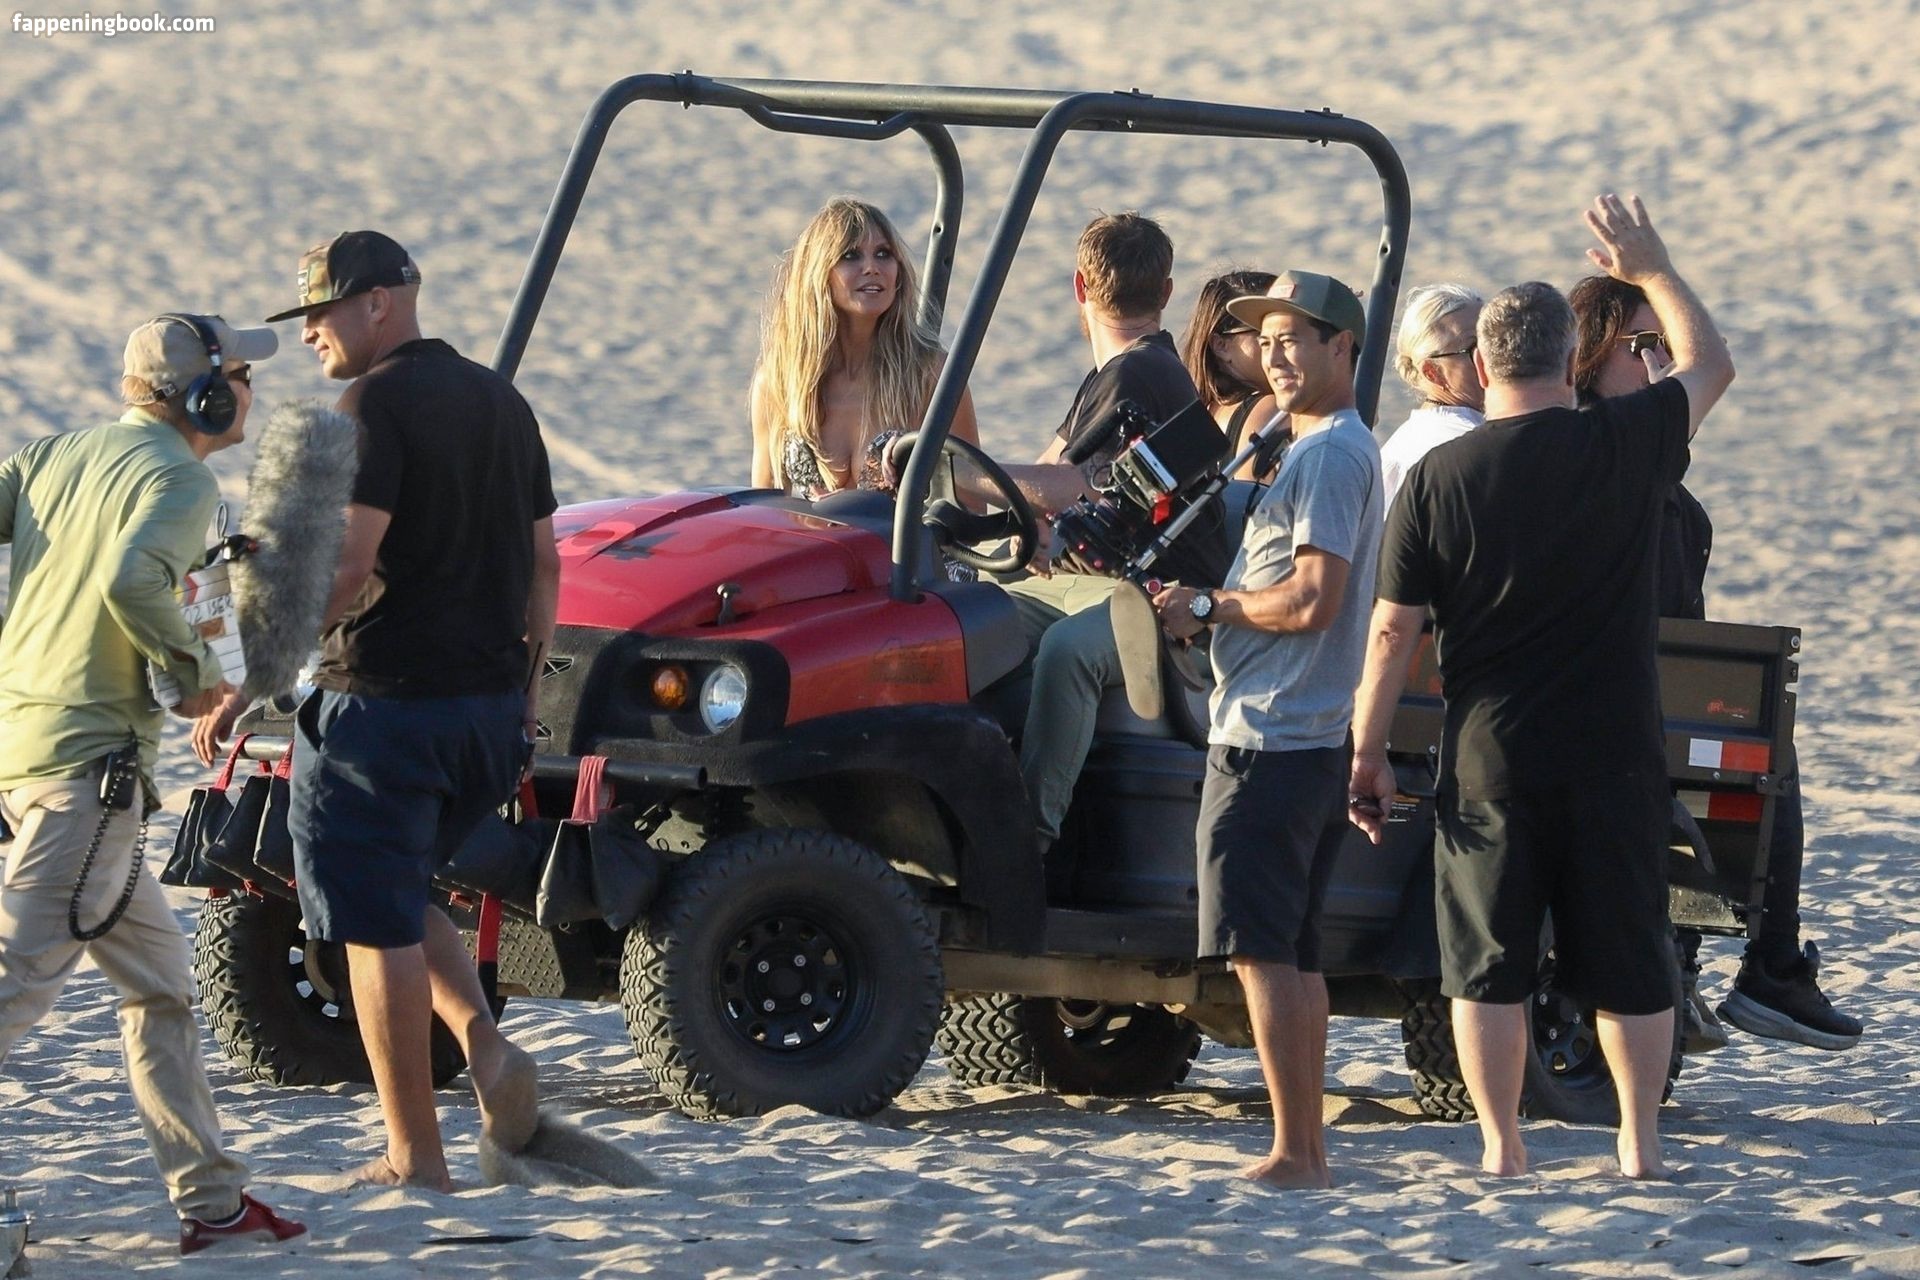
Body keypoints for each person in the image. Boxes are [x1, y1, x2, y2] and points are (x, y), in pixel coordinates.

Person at [1348, 194, 1736, 1181]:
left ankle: (1501, 1145)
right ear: (1571, 363)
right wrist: (1651, 267)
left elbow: (1391, 630)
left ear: (1482, 370)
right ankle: (1639, 1144)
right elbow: (1711, 364)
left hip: (1491, 759)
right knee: (1630, 959)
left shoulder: (1440, 476)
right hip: (1614, 754)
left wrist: (1365, 752)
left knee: (1487, 965)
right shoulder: (1625, 443)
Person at [225, 230, 556, 1191]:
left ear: (380, 303)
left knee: (372, 923)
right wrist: (528, 687)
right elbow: (546, 565)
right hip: (485, 717)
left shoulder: (371, 403)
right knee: (399, 888)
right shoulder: (502, 401)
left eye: (321, 311)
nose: (311, 332)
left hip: (385, 711)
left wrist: (255, 672)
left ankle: (415, 1156)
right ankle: (486, 1048)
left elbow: (349, 562)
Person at [0, 315, 308, 1254]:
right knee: (13, 987)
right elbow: (133, 580)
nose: (252, 389)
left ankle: (213, 1204)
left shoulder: (52, 455)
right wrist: (199, 674)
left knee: (161, 994)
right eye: (242, 373)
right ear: (204, 395)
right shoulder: (181, 479)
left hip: (35, 758)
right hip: (86, 778)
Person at [1569, 273, 1860, 1052]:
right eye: (1641, 345)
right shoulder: (1602, 448)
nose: (1660, 364)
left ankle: (1705, 968)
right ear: (1589, 352)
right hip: (1610, 701)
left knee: (1742, 740)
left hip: (1637, 691)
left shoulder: (1641, 467)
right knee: (1759, 749)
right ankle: (1766, 970)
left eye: (1667, 346)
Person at [1152, 271, 1382, 1189]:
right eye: (1267, 339)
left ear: (1343, 347)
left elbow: (1315, 599)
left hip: (1273, 738)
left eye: (1295, 338)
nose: (1276, 355)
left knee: (1261, 952)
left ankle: (1296, 1152)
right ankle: (1306, 1147)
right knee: (1290, 950)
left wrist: (1210, 605)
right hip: (1299, 735)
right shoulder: (1319, 444)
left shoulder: (1329, 454)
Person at [987, 212, 1231, 869]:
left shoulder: (1141, 374)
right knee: (968, 607)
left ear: (1079, 287)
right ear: (1167, 291)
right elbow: (1047, 474)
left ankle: (1027, 847)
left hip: (1167, 605)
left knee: (1067, 650)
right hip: (1101, 582)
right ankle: (970, 791)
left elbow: (1072, 484)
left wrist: (952, 470)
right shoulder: (1115, 377)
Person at [750, 197, 979, 499]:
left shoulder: (932, 375)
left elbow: (970, 507)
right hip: (810, 533)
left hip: (899, 533)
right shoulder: (778, 382)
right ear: (818, 273)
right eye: (850, 255)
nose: (871, 267)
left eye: (883, 254)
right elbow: (761, 507)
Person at [1379, 283, 1484, 506]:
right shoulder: (1468, 444)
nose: (1494, 356)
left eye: (1494, 340)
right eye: (1474, 348)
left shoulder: (1404, 440)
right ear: (1432, 372)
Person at [1178, 269, 1279, 479]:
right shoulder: (1269, 412)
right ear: (1221, 346)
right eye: (1265, 333)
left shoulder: (1202, 412)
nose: (1281, 344)